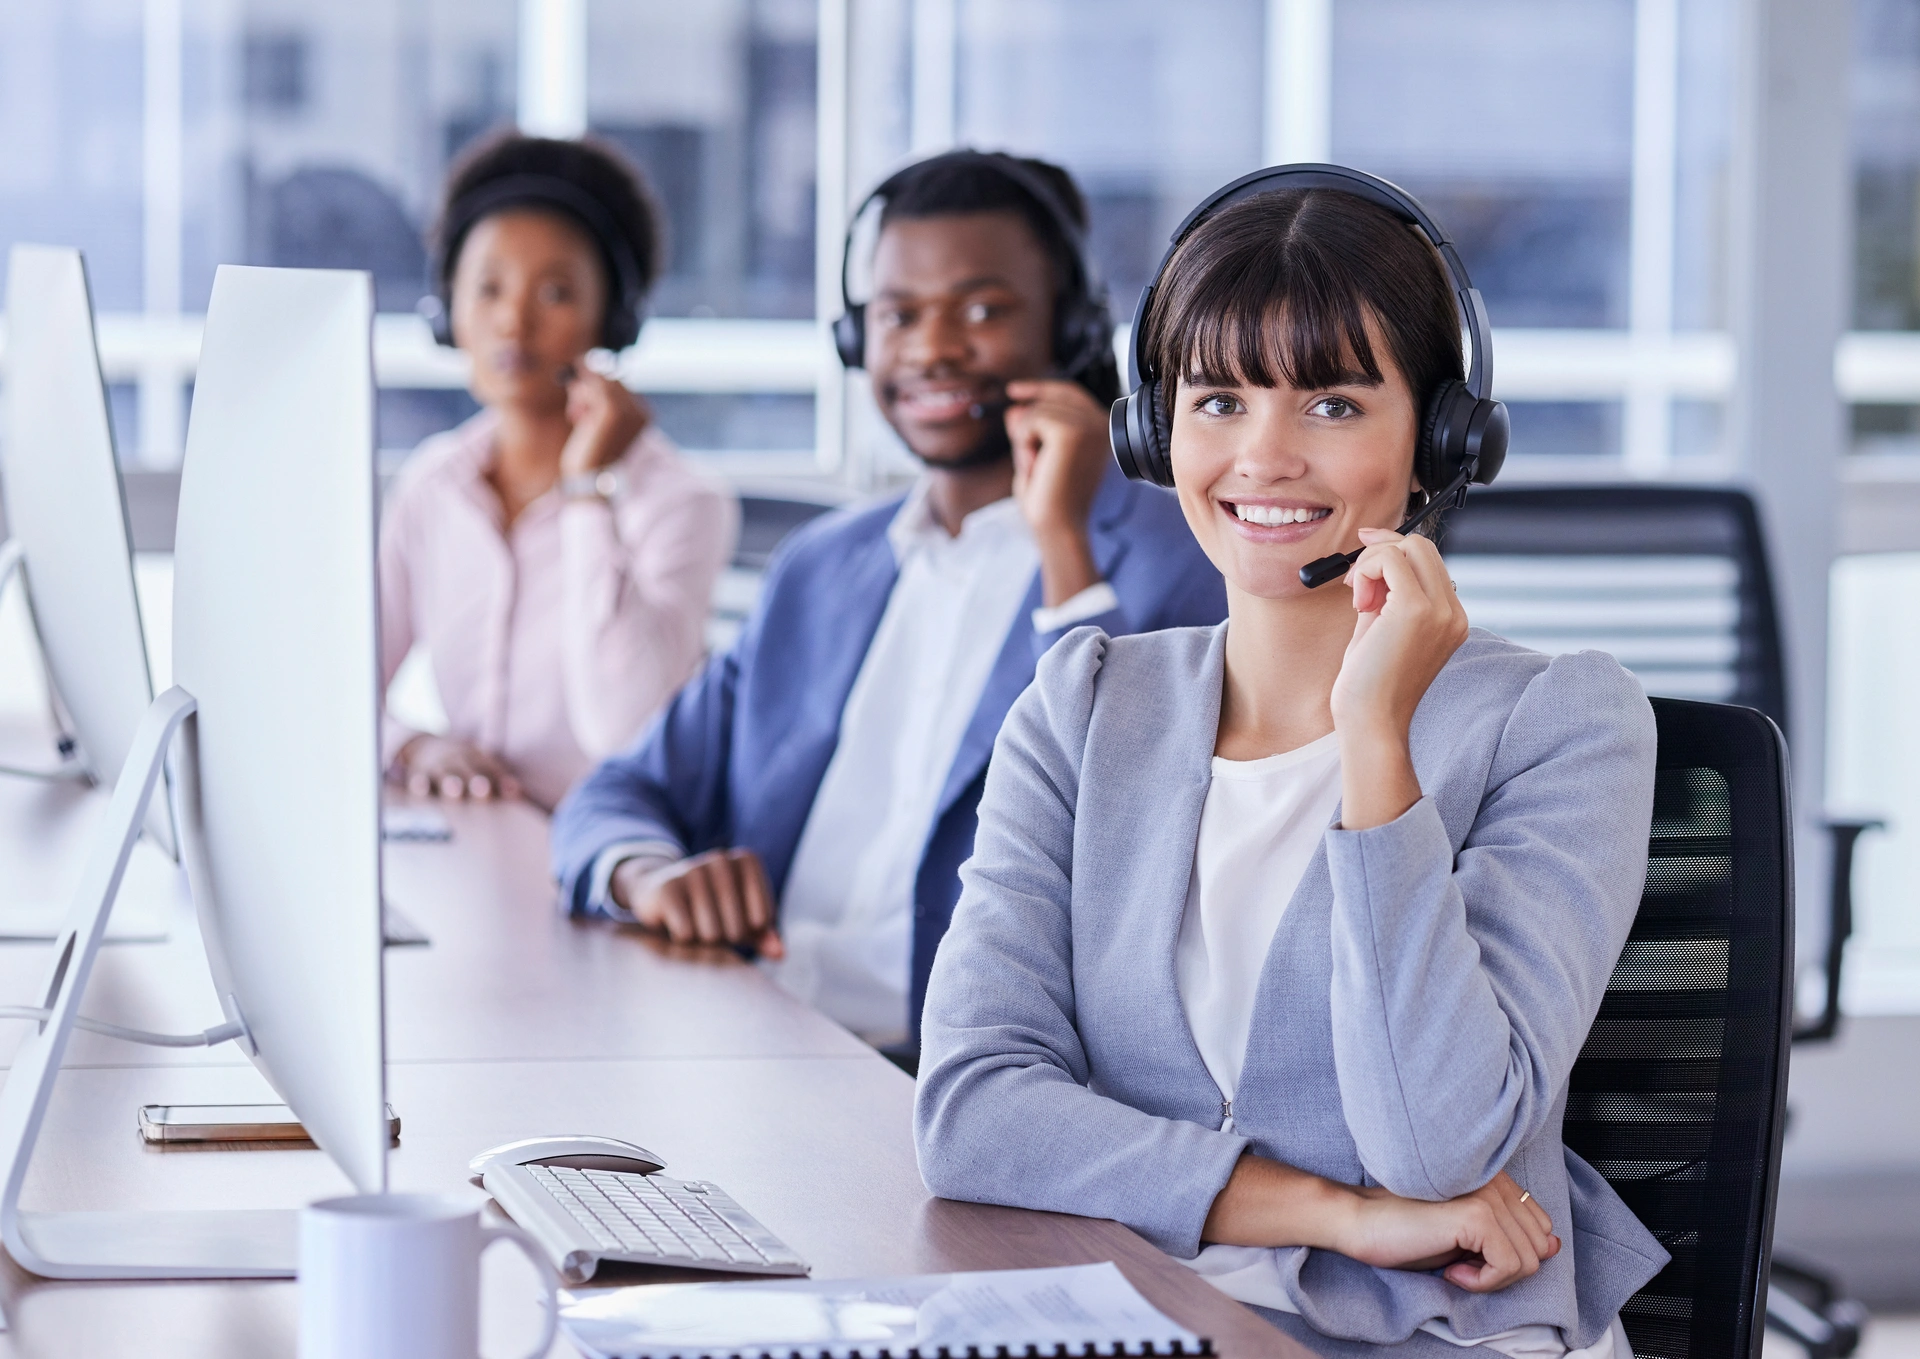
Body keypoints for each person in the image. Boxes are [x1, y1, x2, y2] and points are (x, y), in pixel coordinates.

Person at [913, 177, 1665, 1357]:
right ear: (1155, 433)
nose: (1263, 457)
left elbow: (1439, 1149)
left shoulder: (1561, 722)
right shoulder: (1086, 705)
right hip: (1144, 1310)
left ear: (1442, 439)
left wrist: (1376, 743)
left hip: (1432, 1337)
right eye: (1218, 400)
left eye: (1332, 403)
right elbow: (972, 1113)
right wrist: (1338, 1214)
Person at [550, 150, 1227, 1058]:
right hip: (745, 1031)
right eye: (898, 314)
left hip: (944, 1078)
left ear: (1069, 327)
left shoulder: (1187, 559)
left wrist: (1063, 542)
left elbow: (1125, 850)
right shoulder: (823, 566)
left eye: (982, 310)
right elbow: (620, 790)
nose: (932, 348)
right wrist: (646, 873)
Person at [379, 131, 737, 812]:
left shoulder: (682, 502)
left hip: (620, 850)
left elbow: (626, 730)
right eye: (488, 288)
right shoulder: (432, 487)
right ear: (448, 310)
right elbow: (342, 687)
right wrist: (412, 745)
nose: (513, 322)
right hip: (476, 833)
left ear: (613, 318)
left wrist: (586, 493)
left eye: (555, 292)